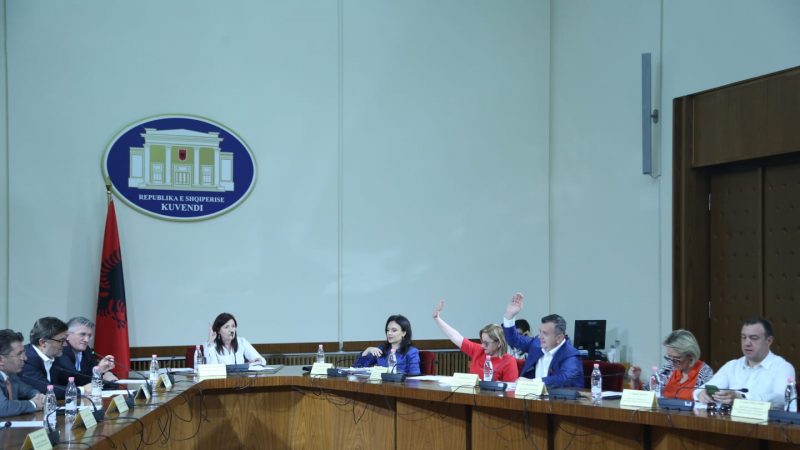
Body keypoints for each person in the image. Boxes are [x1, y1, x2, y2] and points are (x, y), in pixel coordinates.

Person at [695, 317, 795, 408]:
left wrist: (741, 398)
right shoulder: (732, 366)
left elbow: (781, 398)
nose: (747, 343)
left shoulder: (783, 368)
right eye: (743, 337)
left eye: (754, 338)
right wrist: (702, 394)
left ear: (769, 341)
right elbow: (701, 389)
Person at [502, 293, 583, 388]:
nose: (540, 336)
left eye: (545, 333)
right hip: (532, 395)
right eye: (540, 332)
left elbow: (563, 379)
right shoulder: (536, 343)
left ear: (559, 338)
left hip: (558, 397)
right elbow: (513, 340)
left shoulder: (571, 355)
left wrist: (532, 382)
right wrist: (509, 316)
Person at [432, 300, 518, 382]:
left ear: (498, 343)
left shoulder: (509, 361)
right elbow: (456, 336)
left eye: (486, 343)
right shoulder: (478, 350)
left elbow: (511, 389)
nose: (482, 346)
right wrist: (437, 319)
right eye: (482, 342)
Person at [627, 329, 714, 400]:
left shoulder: (705, 372)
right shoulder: (668, 368)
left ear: (690, 355)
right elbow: (645, 394)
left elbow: (709, 402)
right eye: (669, 357)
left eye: (677, 358)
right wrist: (635, 380)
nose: (672, 362)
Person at [20, 317, 91, 400]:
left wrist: (98, 381)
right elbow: (45, 390)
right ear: (43, 342)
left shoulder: (56, 357)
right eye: (61, 341)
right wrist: (81, 390)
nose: (65, 344)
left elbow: (75, 378)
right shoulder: (26, 359)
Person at [55, 317, 117, 386]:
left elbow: (94, 366)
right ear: (67, 335)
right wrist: (99, 371)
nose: (87, 340)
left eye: (89, 335)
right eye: (82, 334)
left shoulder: (86, 350)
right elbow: (75, 379)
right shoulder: (61, 350)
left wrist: (107, 373)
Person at [354, 315, 420, 375]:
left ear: (404, 333)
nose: (389, 333)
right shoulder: (381, 350)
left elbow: (415, 376)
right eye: (388, 330)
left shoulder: (411, 352)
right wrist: (368, 350)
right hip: (381, 384)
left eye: (394, 330)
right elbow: (356, 369)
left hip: (401, 384)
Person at [0, 329, 44, 417]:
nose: (25, 358)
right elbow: (2, 408)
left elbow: (29, 390)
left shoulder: (11, 375)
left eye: (23, 352)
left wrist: (39, 397)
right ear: (1, 360)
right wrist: (33, 404)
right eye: (19, 354)